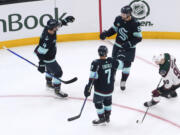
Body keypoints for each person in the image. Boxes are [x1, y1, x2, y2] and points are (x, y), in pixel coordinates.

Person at [100, 5, 142, 91]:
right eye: (122, 13)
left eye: (124, 14)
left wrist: (129, 43)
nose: (122, 15)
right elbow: (114, 29)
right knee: (114, 63)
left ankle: (123, 80)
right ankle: (112, 77)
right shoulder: (118, 19)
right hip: (117, 46)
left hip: (129, 48)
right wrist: (106, 33)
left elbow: (138, 38)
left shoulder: (135, 23)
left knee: (127, 65)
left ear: (129, 14)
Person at [34, 16, 75, 97]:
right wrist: (41, 64)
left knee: (50, 70)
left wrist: (65, 21)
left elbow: (59, 24)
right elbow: (40, 53)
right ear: (52, 28)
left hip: (48, 54)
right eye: (56, 26)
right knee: (58, 72)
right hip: (47, 58)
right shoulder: (47, 39)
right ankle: (57, 90)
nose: (58, 27)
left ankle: (49, 83)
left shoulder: (49, 29)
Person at [84, 45, 124, 125]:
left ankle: (102, 118)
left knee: (98, 104)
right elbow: (122, 66)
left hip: (100, 90)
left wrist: (88, 88)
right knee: (107, 103)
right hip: (109, 90)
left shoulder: (96, 63)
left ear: (98, 53)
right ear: (106, 53)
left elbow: (92, 78)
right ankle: (107, 117)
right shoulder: (112, 61)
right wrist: (119, 57)